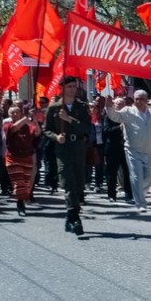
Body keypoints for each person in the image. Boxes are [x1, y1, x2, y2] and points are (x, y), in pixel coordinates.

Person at [43, 76, 91, 237]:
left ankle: (70, 218)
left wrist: (68, 119)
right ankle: (76, 218)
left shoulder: (81, 107)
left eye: (74, 86)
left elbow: (86, 128)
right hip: (63, 150)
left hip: (78, 147)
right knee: (68, 182)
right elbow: (47, 129)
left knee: (79, 183)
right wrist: (56, 137)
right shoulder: (54, 108)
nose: (72, 89)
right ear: (62, 88)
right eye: (69, 86)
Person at [105, 90, 151, 212]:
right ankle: (140, 203)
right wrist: (108, 106)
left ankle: (138, 191)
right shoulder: (128, 111)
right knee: (137, 176)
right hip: (133, 150)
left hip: (149, 150)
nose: (139, 101)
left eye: (141, 99)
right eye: (136, 98)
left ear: (146, 100)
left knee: (149, 176)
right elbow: (115, 116)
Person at [2, 105, 39, 216]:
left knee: (26, 183)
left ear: (20, 114)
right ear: (9, 115)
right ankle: (20, 203)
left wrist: (35, 119)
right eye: (12, 113)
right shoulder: (7, 125)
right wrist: (26, 117)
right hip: (13, 157)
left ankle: (22, 200)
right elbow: (14, 128)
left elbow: (37, 132)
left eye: (17, 112)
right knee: (18, 181)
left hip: (26, 156)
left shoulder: (27, 125)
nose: (15, 114)